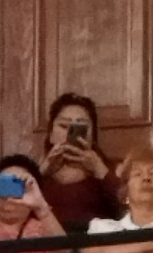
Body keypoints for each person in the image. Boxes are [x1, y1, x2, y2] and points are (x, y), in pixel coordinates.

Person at [38, 92, 120, 232]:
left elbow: (130, 208)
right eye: (64, 126)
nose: (71, 132)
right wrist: (42, 172)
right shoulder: (36, 173)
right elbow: (13, 209)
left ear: (93, 135)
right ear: (51, 134)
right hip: (48, 242)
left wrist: (100, 169)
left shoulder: (111, 171)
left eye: (81, 126)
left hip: (95, 242)